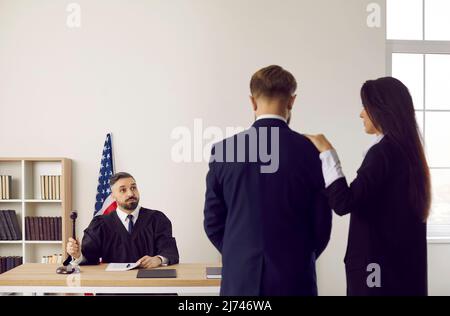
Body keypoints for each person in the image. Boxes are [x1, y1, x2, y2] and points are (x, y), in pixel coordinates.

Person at [203, 65, 332, 296]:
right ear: (292, 101)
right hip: (295, 278)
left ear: (252, 102)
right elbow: (322, 224)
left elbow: (213, 221)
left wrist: (238, 253)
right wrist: (299, 256)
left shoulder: (223, 151)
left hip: (239, 279)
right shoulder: (311, 151)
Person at [306, 77, 430, 296]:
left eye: (365, 107)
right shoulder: (407, 151)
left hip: (376, 270)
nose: (361, 113)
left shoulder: (383, 152)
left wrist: (327, 152)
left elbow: (344, 202)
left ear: (381, 109)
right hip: (399, 271)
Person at [67, 172, 179, 268]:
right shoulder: (100, 224)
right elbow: (90, 257)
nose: (130, 193)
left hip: (151, 287)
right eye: (123, 190)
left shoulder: (157, 219)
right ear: (113, 196)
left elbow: (168, 250)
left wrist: (158, 259)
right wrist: (77, 255)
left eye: (133, 188)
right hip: (115, 288)